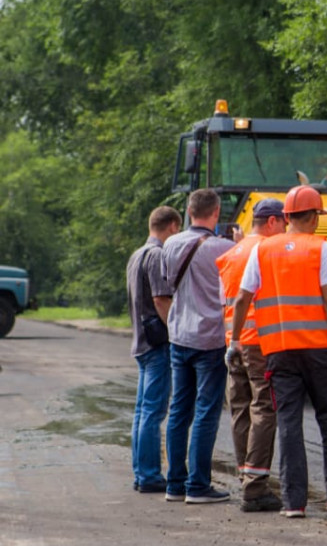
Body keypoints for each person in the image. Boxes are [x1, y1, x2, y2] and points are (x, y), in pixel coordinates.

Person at [229, 184, 327, 519]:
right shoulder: (321, 248)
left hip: (279, 352)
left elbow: (243, 298)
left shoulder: (263, 250)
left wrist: (234, 341)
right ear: (315, 216)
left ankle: (293, 503)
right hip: (321, 352)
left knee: (288, 423)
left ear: (286, 216)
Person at [159, 188, 236, 504]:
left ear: (189, 212)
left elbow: (167, 286)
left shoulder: (170, 245)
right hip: (211, 338)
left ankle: (175, 484)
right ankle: (198, 485)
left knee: (178, 409)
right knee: (206, 411)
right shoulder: (225, 249)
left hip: (179, 336)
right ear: (216, 213)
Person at [216, 199, 287, 512]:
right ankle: (255, 488)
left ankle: (247, 476)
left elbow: (227, 302)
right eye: (283, 222)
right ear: (271, 222)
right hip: (260, 343)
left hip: (234, 341)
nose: (285, 229)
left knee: (240, 408)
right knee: (263, 408)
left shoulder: (231, 253)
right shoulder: (267, 252)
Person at [126, 205, 182, 494]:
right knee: (153, 411)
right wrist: (177, 331)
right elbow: (161, 299)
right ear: (172, 225)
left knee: (142, 411)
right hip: (157, 342)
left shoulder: (137, 255)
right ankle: (149, 475)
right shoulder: (158, 255)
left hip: (140, 340)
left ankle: (141, 471)